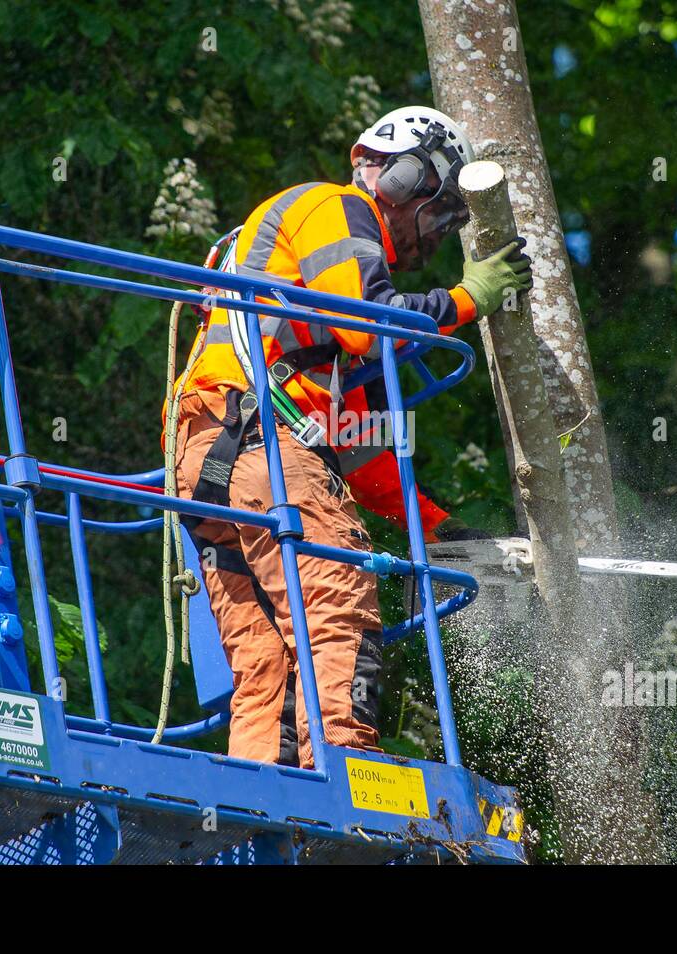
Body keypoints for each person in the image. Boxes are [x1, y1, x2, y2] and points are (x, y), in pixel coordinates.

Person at [170, 106, 533, 768]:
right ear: (403, 178)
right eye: (443, 210)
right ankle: (349, 788)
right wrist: (465, 300)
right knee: (339, 612)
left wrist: (444, 530)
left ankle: (266, 814)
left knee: (267, 661)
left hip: (210, 461)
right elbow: (371, 322)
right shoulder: (335, 208)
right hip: (261, 443)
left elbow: (357, 452)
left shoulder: (316, 333)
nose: (439, 232)